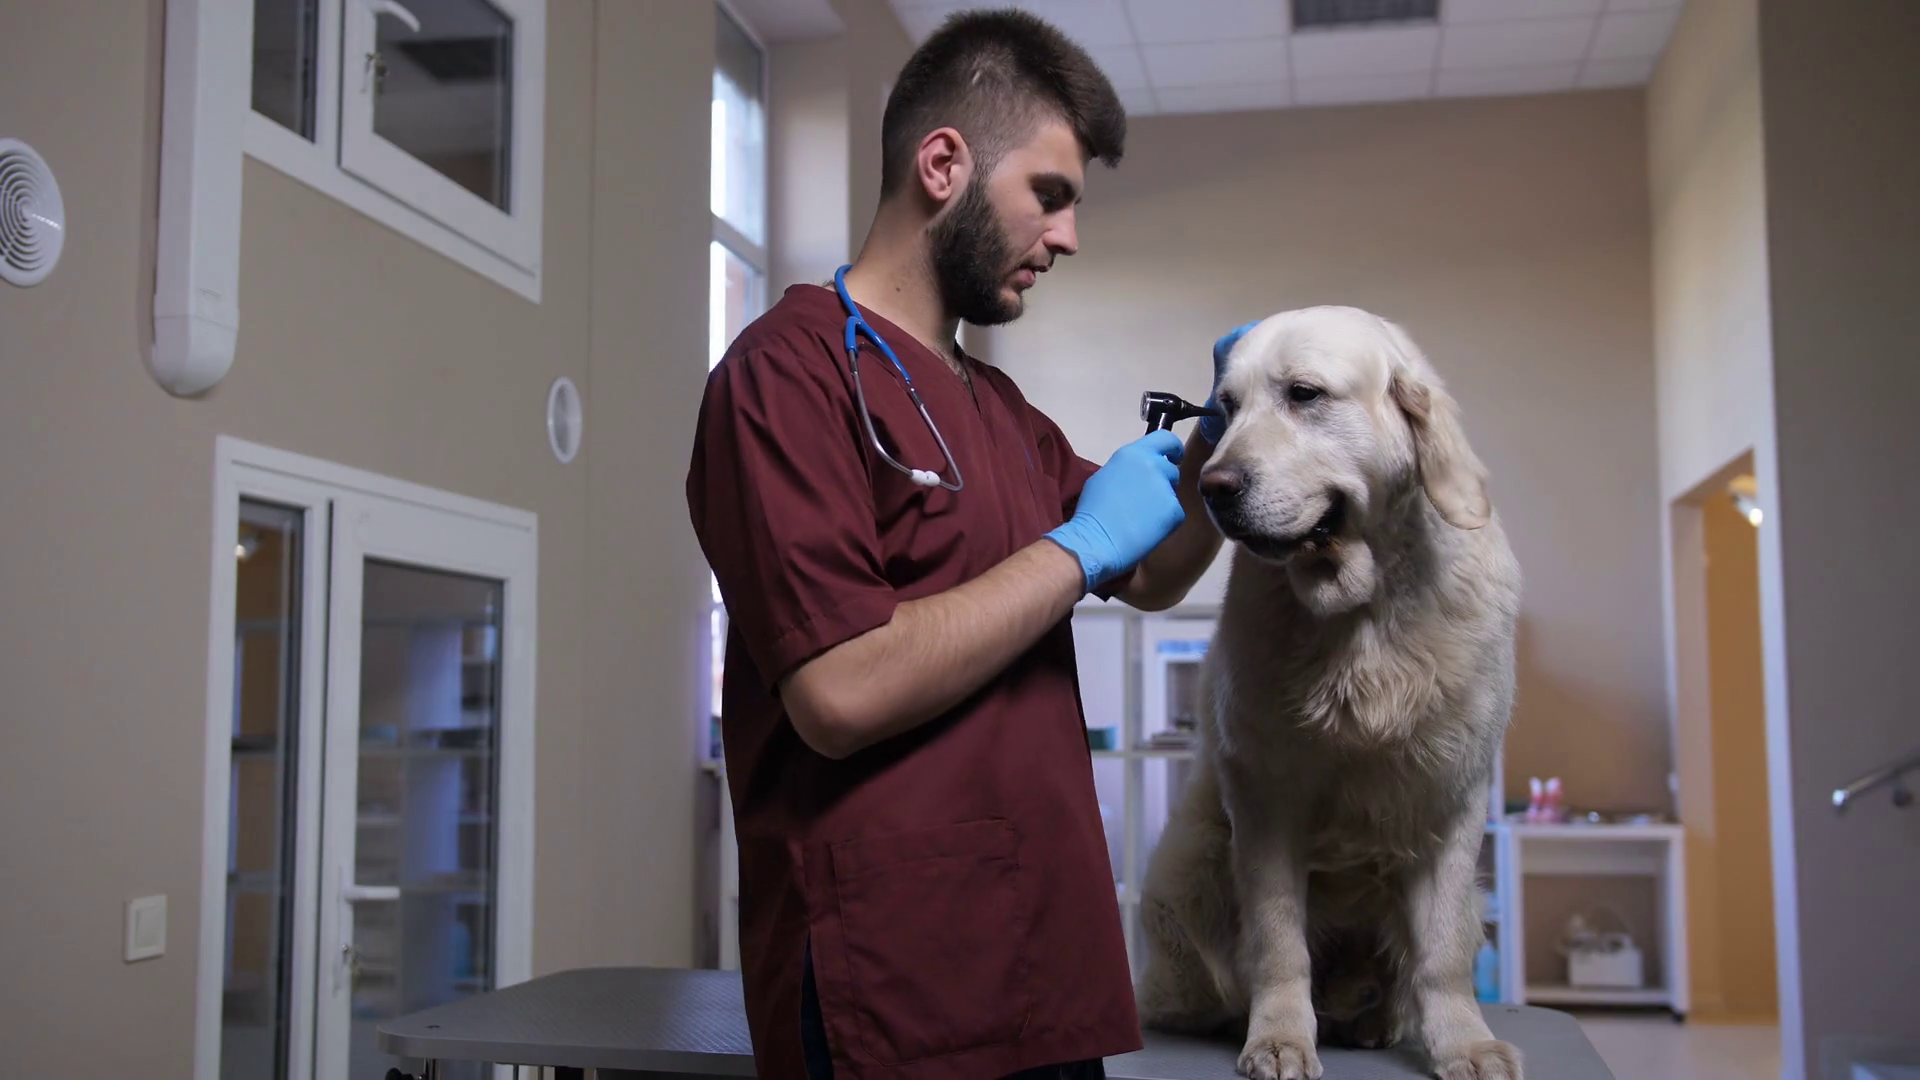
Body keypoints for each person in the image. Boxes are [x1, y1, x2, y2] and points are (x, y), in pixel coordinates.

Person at [685, 10, 1228, 1079]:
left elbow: (1153, 569)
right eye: (1051, 195)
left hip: (1047, 975)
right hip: (891, 993)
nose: (1067, 236)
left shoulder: (1002, 408)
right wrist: (1078, 549)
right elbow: (838, 690)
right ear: (944, 164)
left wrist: (1225, 455)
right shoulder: (783, 375)